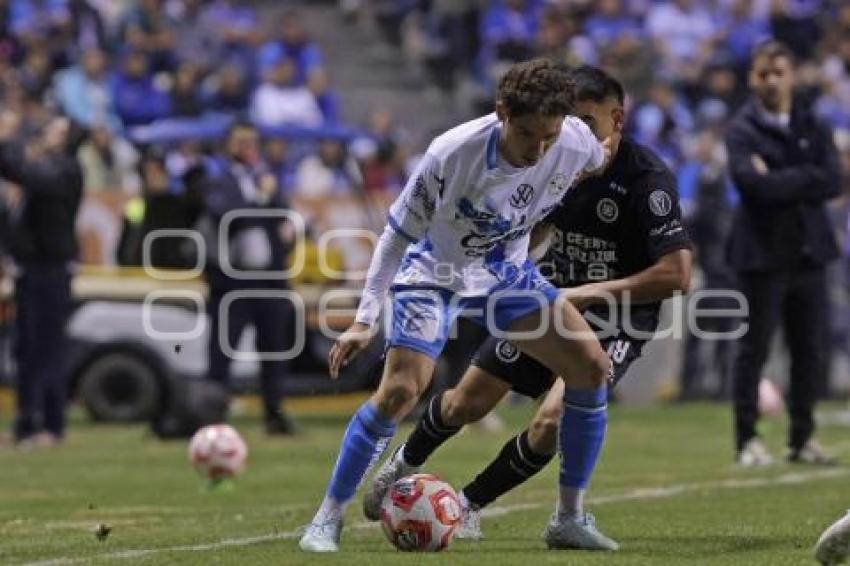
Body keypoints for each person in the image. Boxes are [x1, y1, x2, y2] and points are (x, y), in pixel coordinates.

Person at [363, 66, 693, 550]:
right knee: (464, 403)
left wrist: (584, 295)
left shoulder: (648, 180)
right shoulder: (555, 158)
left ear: (616, 118)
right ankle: (402, 465)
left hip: (616, 316)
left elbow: (677, 275)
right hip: (550, 295)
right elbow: (528, 229)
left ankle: (469, 505)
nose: (568, 133)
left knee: (551, 420)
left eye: (585, 121)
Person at [299, 58, 615, 553]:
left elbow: (599, 158)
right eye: (528, 134)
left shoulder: (572, 141)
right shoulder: (451, 153)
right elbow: (395, 238)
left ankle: (569, 519)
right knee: (401, 392)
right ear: (501, 114)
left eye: (548, 137)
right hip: (435, 274)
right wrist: (364, 321)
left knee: (592, 367)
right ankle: (326, 519)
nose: (538, 149)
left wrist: (598, 150)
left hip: (508, 273)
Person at [726, 41, 841, 467]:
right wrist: (801, 180)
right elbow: (750, 185)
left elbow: (832, 181)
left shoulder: (813, 123)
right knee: (753, 349)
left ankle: (802, 438)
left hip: (809, 252)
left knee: (809, 350)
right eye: (763, 73)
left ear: (791, 74)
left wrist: (778, 178)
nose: (771, 80)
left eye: (778, 72)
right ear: (752, 78)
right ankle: (746, 440)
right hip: (761, 256)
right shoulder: (742, 129)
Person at [201, 122, 298, 437]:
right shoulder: (219, 180)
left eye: (252, 141)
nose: (247, 147)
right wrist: (261, 200)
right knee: (222, 350)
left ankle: (274, 415)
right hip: (234, 281)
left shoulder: (265, 176)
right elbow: (230, 217)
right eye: (240, 141)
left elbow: (282, 213)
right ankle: (212, 418)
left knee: (274, 349)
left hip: (269, 278)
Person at [0, 114, 83, 447]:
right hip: (30, 270)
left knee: (48, 348)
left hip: (50, 271)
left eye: (57, 130)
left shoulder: (65, 170)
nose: (48, 132)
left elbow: (20, 171)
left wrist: (5, 139)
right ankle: (26, 422)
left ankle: (52, 424)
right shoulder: (47, 168)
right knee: (26, 350)